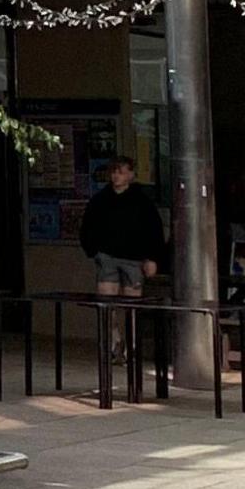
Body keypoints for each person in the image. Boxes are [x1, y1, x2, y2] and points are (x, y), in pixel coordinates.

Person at [81, 154, 165, 383]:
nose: (116, 176)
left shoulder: (141, 202)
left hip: (134, 259)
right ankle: (113, 342)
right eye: (114, 172)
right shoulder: (100, 200)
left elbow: (154, 231)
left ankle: (131, 346)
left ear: (130, 174)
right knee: (107, 302)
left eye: (121, 171)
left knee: (131, 305)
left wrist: (152, 258)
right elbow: (87, 226)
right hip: (107, 256)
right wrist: (93, 251)